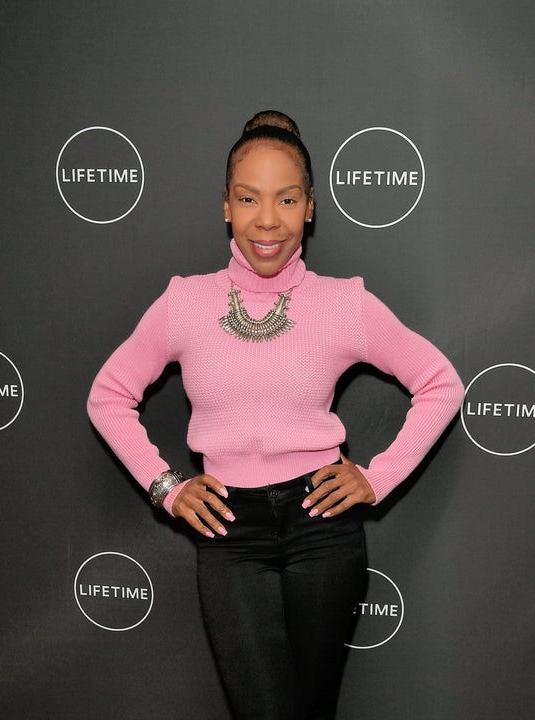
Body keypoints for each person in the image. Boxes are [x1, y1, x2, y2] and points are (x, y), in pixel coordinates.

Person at [87, 110, 464, 720]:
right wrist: (166, 487)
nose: (267, 220)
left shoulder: (343, 303)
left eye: (286, 199)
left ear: (310, 208)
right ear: (226, 206)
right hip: (229, 532)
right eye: (249, 198)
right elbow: (108, 396)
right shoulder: (186, 301)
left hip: (324, 527)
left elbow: (441, 383)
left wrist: (378, 477)